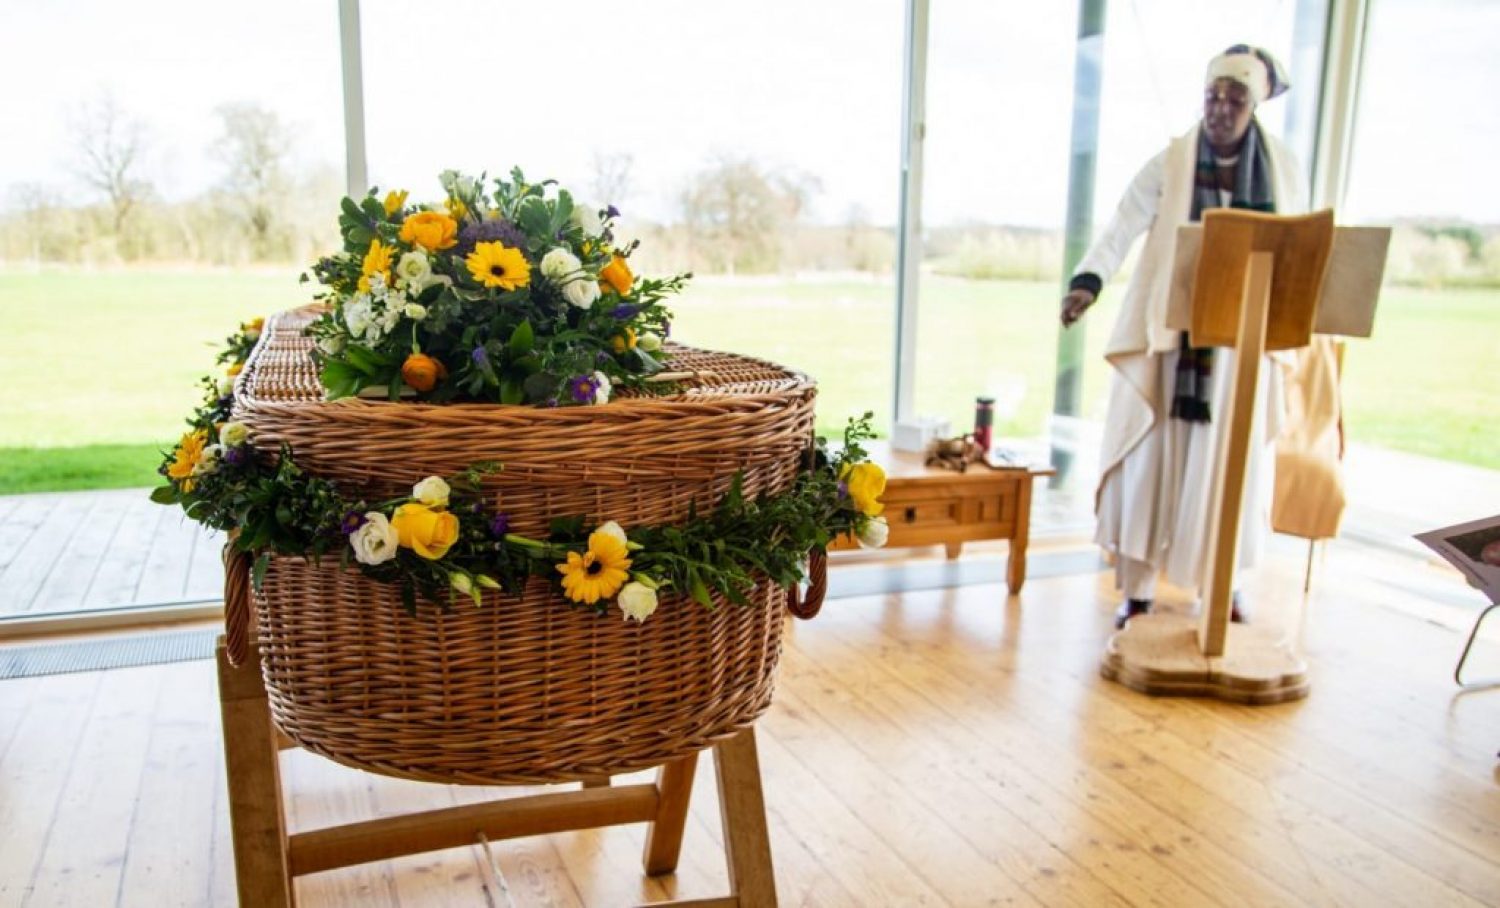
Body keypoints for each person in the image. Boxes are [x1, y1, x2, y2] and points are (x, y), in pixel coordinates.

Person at [1060, 45, 1300, 629]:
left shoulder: (1284, 169)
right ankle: (1137, 592)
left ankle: (1222, 588)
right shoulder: (1171, 162)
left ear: (1253, 106)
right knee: (1147, 464)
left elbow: (1297, 246)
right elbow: (1123, 223)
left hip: (1238, 348)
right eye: (1213, 96)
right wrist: (1088, 282)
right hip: (1170, 337)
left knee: (1228, 470)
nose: (1220, 109)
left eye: (1234, 99)